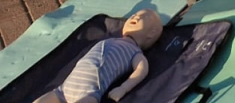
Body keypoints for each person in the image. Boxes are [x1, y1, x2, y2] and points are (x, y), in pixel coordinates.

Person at [34, 9, 163, 103]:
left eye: (143, 18)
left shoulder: (135, 53)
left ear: (151, 33)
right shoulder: (111, 39)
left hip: (89, 92)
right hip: (63, 89)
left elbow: (141, 70)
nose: (135, 17)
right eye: (134, 15)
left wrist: (123, 89)